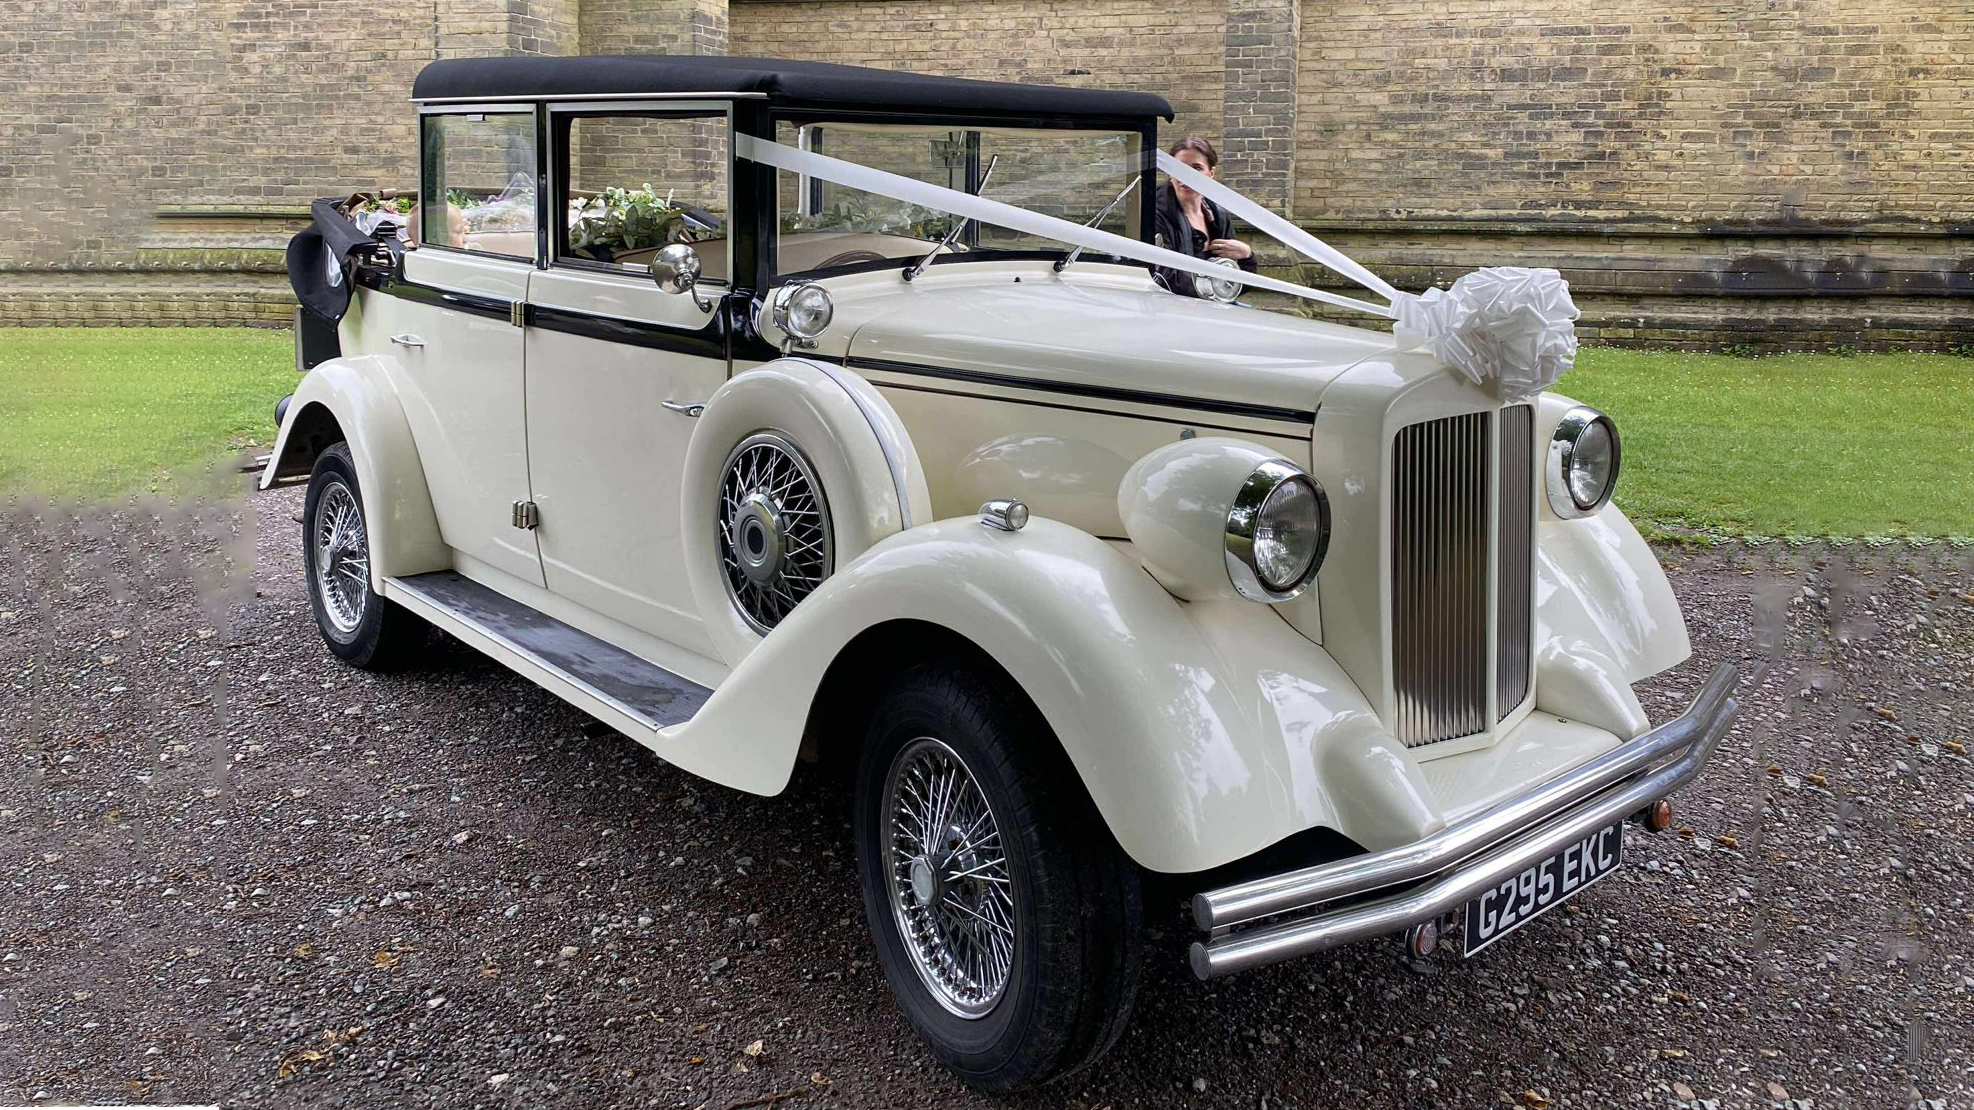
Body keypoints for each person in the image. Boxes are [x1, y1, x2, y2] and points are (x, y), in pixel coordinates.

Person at [1151, 136, 1257, 298]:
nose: (1185, 175)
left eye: (1196, 168)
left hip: (1213, 310)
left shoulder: (1218, 215)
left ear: (1211, 173)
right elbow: (1163, 279)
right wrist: (1218, 287)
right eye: (1179, 167)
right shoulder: (1155, 215)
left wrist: (1247, 256)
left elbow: (1236, 286)